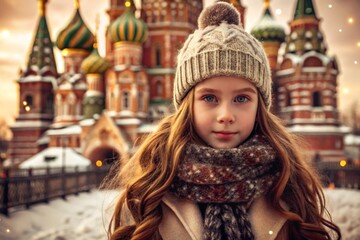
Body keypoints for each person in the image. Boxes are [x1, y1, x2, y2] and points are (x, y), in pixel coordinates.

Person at [107, 2, 341, 240]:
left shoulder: (289, 189)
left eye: (241, 98)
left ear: (260, 106)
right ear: (188, 105)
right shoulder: (148, 195)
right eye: (209, 97)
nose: (226, 115)